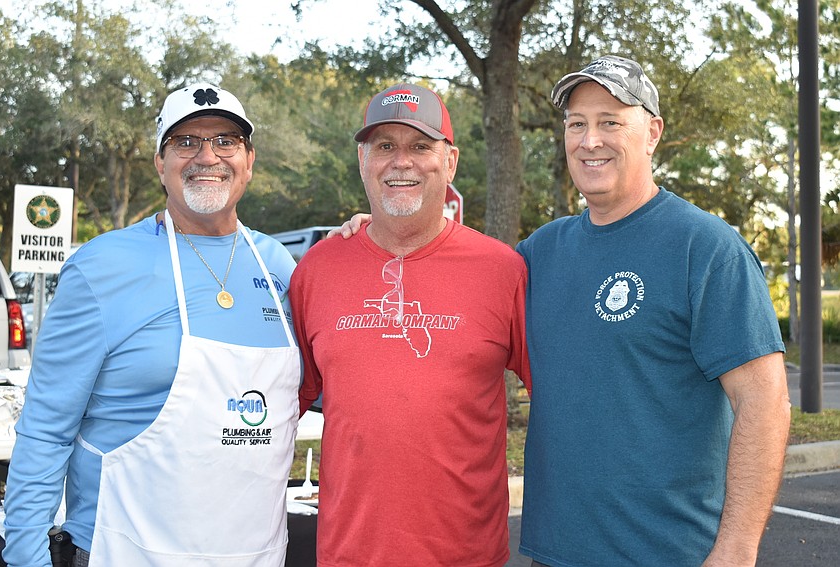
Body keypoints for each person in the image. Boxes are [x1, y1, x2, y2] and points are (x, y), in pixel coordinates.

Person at [3, 83, 301, 566]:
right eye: (185, 142)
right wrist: (25, 558)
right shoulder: (104, 265)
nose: (208, 155)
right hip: (119, 551)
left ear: (250, 161)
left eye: (226, 140)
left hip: (254, 555)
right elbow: (44, 431)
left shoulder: (280, 266)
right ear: (161, 164)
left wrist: (367, 247)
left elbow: (336, 385)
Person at [516, 55, 791, 566]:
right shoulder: (540, 253)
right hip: (553, 555)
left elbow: (764, 404)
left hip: (669, 554)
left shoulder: (704, 248)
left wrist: (736, 549)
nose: (589, 140)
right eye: (577, 124)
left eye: (610, 122)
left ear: (653, 132)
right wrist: (373, 234)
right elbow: (452, 292)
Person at [290, 83, 531, 567]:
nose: (402, 162)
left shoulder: (502, 269)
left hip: (469, 556)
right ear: (363, 162)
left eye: (421, 146)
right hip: (347, 554)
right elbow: (283, 407)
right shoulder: (317, 270)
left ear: (451, 161)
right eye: (385, 147)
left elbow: (562, 402)